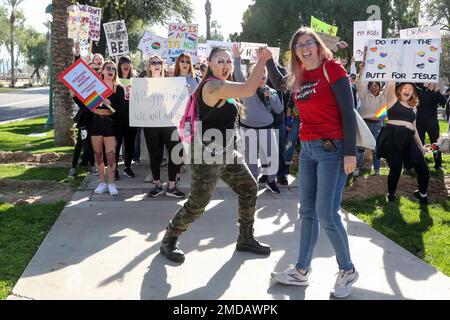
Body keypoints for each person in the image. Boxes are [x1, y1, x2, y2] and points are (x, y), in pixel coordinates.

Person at [268, 27, 359, 299]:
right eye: (298, 46)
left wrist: (350, 153)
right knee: (306, 212)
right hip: (307, 149)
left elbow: (348, 111)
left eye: (308, 43)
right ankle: (301, 270)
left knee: (327, 214)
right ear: (294, 52)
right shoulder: (300, 76)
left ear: (318, 46)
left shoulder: (333, 69)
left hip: (334, 149)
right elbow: (279, 82)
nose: (304, 48)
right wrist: (267, 60)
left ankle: (347, 269)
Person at [159, 46, 273, 263]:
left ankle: (245, 238)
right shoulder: (212, 86)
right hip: (206, 155)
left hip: (227, 152)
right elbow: (249, 88)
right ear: (210, 64)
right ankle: (169, 239)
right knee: (197, 204)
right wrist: (263, 60)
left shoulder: (225, 88)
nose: (226, 65)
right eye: (220, 61)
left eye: (228, 61)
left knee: (249, 187)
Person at [232, 44, 283, 194]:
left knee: (272, 156)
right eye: (257, 75)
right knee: (250, 159)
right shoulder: (245, 88)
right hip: (247, 129)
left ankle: (271, 181)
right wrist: (237, 58)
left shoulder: (271, 91)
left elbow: (279, 110)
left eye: (263, 76)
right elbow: (238, 75)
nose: (260, 79)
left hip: (267, 129)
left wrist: (271, 97)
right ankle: (252, 182)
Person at [376, 82, 430, 205]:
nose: (408, 90)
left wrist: (421, 146)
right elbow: (390, 86)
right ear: (399, 90)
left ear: (413, 93)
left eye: (410, 89)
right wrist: (392, 79)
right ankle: (391, 195)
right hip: (392, 137)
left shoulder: (413, 107)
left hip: (409, 139)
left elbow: (414, 127)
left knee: (423, 169)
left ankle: (422, 194)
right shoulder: (393, 100)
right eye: (405, 88)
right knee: (395, 169)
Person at [142, 55, 185, 199]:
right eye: (153, 62)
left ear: (162, 65)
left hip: (170, 124)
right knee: (155, 155)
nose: (156, 65)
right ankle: (157, 185)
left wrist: (184, 92)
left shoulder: (171, 82)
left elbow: (179, 102)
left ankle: (171, 187)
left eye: (159, 62)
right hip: (151, 125)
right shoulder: (142, 84)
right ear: (149, 66)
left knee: (174, 154)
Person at [90, 61, 124, 196]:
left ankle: (111, 183)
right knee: (98, 155)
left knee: (111, 156)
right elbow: (85, 104)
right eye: (108, 68)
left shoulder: (118, 88)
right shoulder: (95, 86)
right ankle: (102, 182)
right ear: (102, 71)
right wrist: (74, 96)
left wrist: (112, 104)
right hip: (95, 122)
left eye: (113, 69)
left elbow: (121, 109)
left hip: (110, 124)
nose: (111, 70)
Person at [355, 57, 392, 176]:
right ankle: (356, 168)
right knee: (360, 147)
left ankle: (376, 170)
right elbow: (360, 84)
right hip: (364, 124)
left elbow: (390, 84)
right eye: (372, 84)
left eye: (377, 85)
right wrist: (361, 71)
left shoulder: (383, 97)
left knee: (377, 148)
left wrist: (391, 69)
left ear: (380, 87)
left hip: (377, 125)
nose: (374, 87)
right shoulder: (364, 96)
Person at [115, 55, 138, 179]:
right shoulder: (114, 80)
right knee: (116, 144)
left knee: (130, 144)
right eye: (123, 65)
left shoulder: (136, 80)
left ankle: (127, 167)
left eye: (128, 65)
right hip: (117, 118)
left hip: (132, 117)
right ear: (119, 66)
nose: (126, 67)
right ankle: (114, 170)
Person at [415, 83, 447, 172]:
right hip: (419, 122)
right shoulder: (419, 88)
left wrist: (437, 91)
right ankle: (419, 164)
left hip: (432, 123)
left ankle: (438, 164)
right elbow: (416, 98)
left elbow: (444, 102)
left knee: (435, 145)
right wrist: (425, 87)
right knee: (419, 143)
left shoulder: (435, 92)